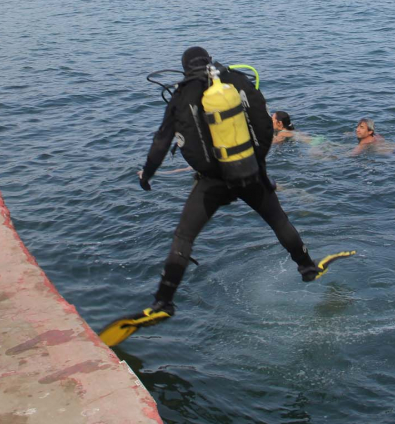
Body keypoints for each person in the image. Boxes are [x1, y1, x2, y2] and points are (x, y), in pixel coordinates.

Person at [137, 48, 323, 318]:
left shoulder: (181, 94)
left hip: (212, 181)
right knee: (278, 221)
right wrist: (259, 167)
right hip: (249, 171)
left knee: (184, 237)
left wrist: (148, 174)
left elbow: (162, 141)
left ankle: (163, 301)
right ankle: (307, 267)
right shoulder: (236, 80)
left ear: (184, 66)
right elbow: (262, 124)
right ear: (210, 60)